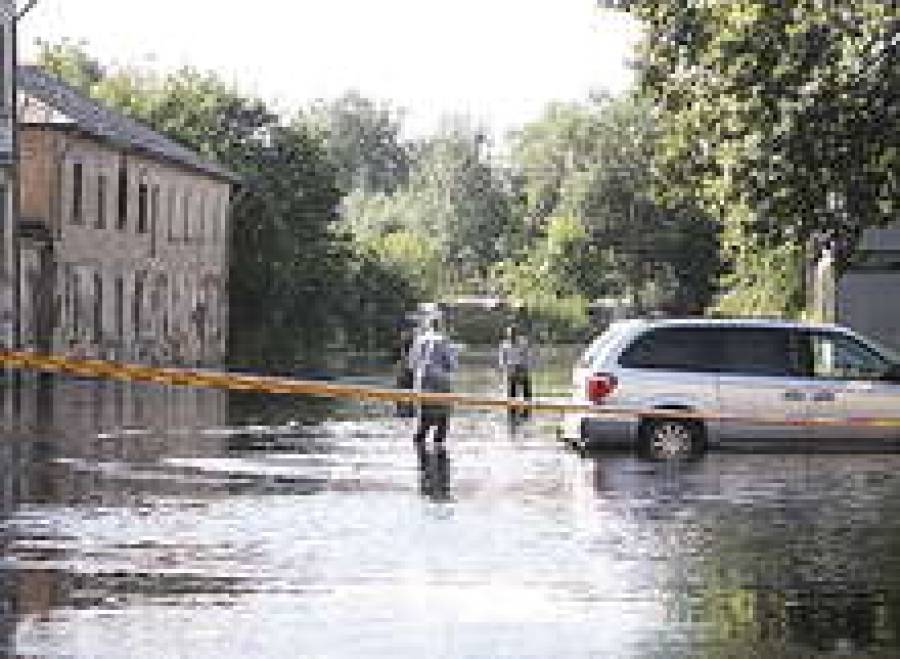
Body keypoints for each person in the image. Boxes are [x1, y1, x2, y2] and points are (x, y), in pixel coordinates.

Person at [407, 315, 458, 454]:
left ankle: (420, 453)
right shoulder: (445, 341)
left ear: (429, 326)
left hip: (422, 381)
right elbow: (452, 365)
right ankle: (439, 453)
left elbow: (411, 364)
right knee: (443, 418)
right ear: (441, 326)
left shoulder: (419, 340)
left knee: (423, 417)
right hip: (440, 381)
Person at [498, 325, 533, 419]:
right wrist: (506, 369)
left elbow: (528, 356)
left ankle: (527, 412)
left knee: (526, 392)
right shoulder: (504, 345)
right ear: (508, 335)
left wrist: (525, 368)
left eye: (514, 333)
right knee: (512, 392)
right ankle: (512, 413)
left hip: (522, 368)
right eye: (510, 334)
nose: (512, 335)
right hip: (511, 369)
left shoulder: (523, 343)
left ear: (516, 333)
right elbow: (502, 360)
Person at [393, 323, 416, 417]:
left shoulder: (412, 341)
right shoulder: (400, 343)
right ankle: (401, 409)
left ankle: (409, 409)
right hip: (404, 369)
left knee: (409, 388)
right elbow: (396, 358)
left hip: (409, 369)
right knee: (402, 388)